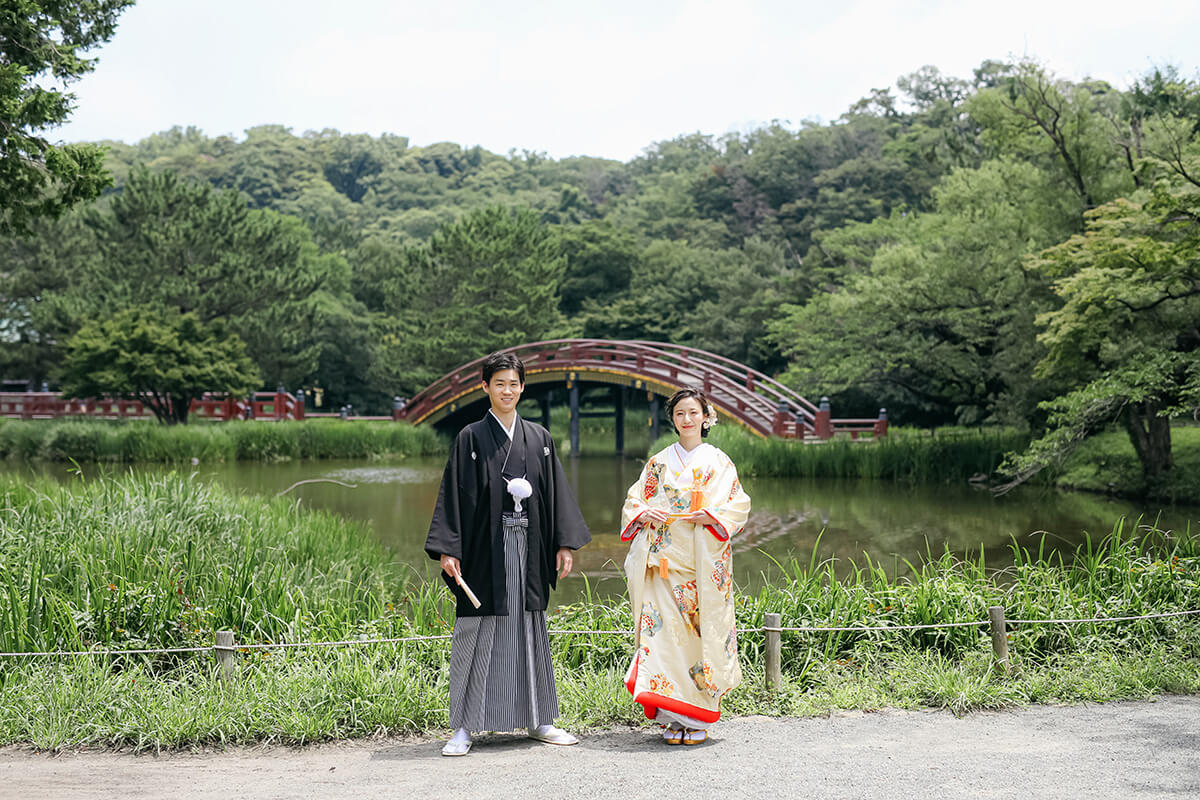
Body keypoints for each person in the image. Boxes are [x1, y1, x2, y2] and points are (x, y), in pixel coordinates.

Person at [425, 352, 592, 756]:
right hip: (486, 550)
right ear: (485, 387)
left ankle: (539, 719)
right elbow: (454, 496)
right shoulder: (470, 437)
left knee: (530, 629)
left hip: (530, 549)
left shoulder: (539, 438)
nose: (507, 390)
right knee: (477, 632)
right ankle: (464, 726)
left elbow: (555, 495)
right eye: (499, 383)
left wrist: (563, 542)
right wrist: (449, 549)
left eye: (514, 383)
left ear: (522, 387)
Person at [619, 387, 751, 746]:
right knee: (662, 640)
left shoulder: (719, 462)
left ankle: (697, 718)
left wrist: (710, 515)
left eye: (694, 412)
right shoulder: (659, 462)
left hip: (700, 568)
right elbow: (635, 500)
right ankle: (671, 718)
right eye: (680, 413)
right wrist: (645, 512)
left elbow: (737, 506)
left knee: (697, 642)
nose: (688, 419)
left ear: (706, 417)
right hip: (662, 565)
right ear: (673, 419)